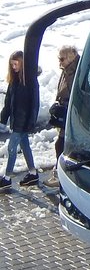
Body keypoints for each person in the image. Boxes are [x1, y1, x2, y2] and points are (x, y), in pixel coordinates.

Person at [1, 50, 40, 188]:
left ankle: (7, 177)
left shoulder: (30, 81)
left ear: (23, 63)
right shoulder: (14, 81)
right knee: (25, 146)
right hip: (17, 121)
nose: (14, 67)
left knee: (12, 148)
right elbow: (8, 103)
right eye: (12, 65)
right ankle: (33, 173)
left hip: (23, 123)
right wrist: (2, 120)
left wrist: (31, 122)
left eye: (16, 64)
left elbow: (34, 104)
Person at [45, 45, 79, 189]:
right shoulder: (66, 71)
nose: (59, 62)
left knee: (62, 144)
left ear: (71, 57)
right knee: (62, 144)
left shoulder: (76, 72)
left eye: (62, 59)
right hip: (64, 113)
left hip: (71, 114)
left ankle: (62, 174)